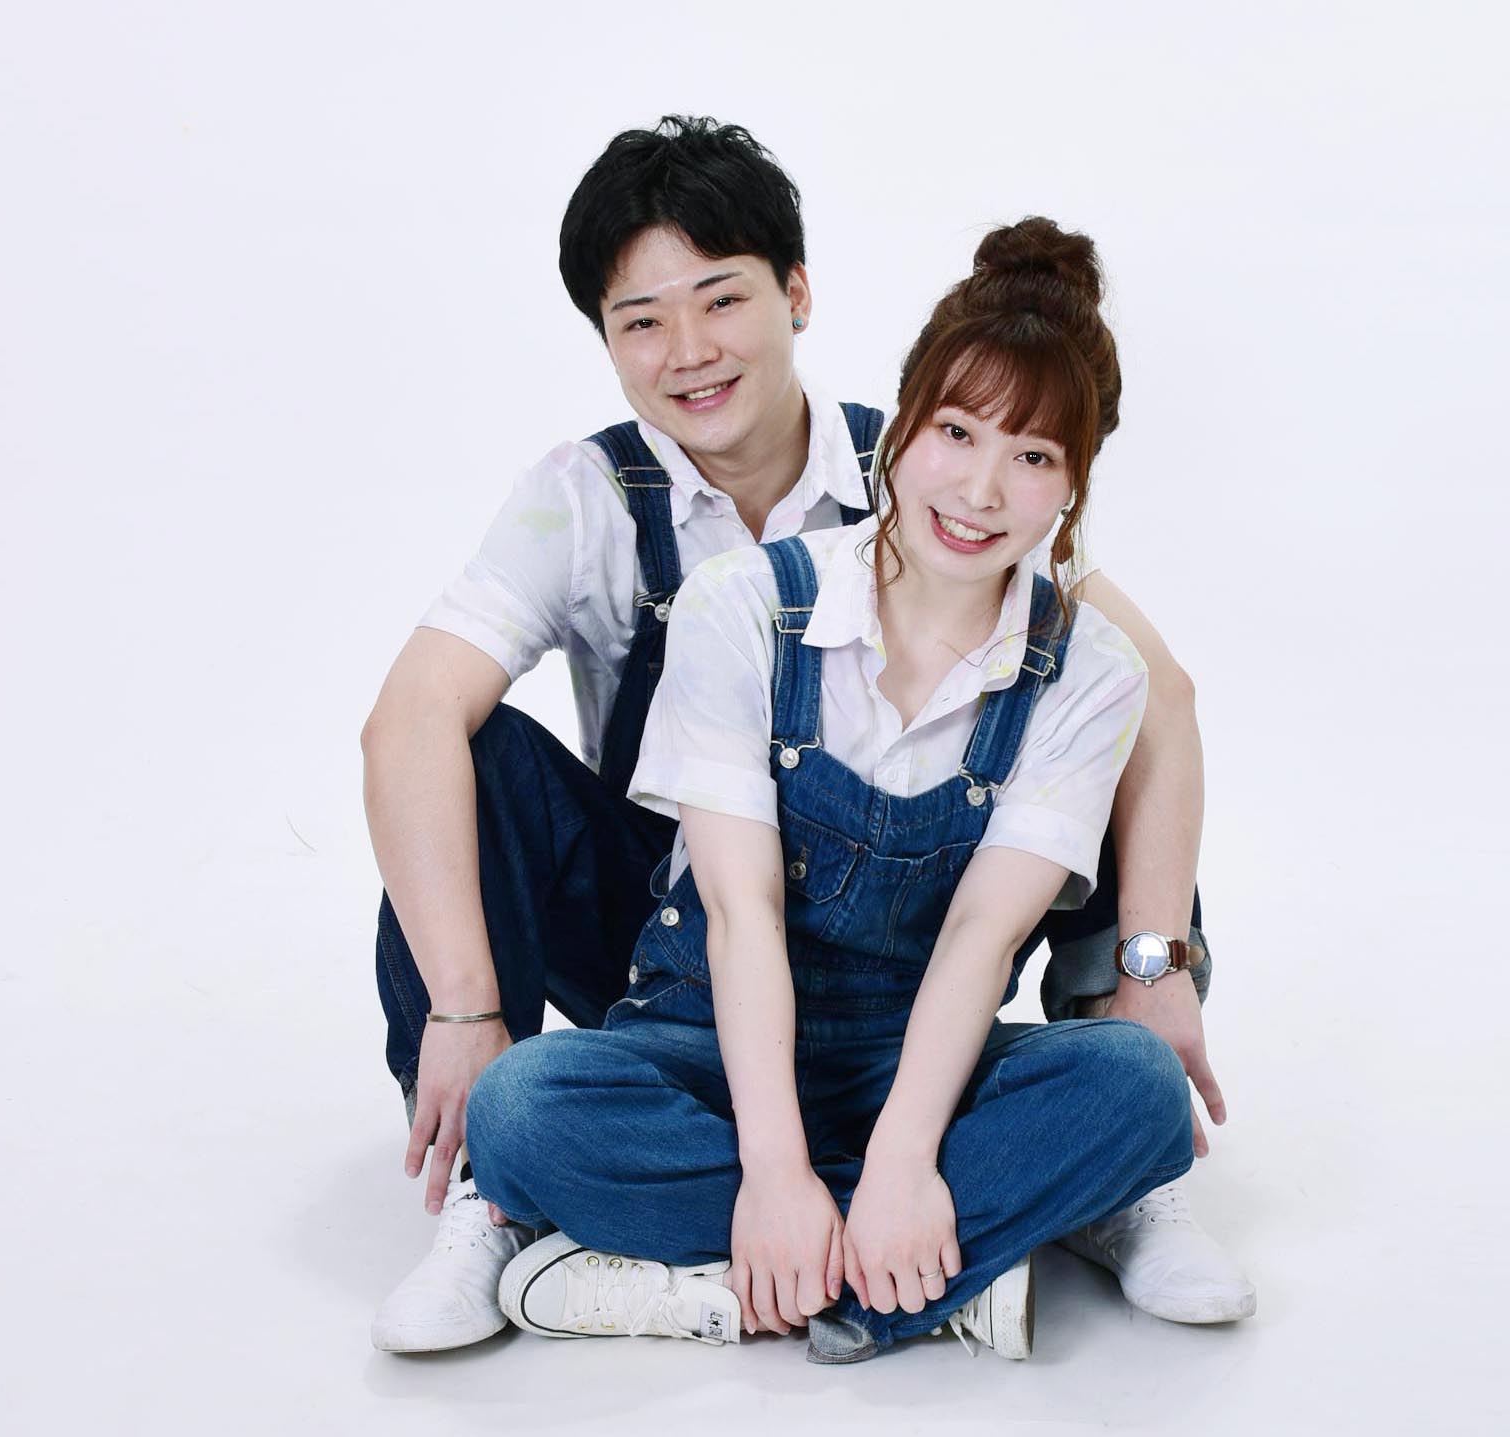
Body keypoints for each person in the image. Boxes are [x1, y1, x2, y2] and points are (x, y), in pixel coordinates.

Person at [361, 118, 1249, 1354]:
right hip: (682, 938)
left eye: (722, 299)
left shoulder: (943, 465)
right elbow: (407, 720)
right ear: (606, 338)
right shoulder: (597, 502)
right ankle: (512, 1196)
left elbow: (1156, 698)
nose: (690, 351)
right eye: (643, 321)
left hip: (927, 973)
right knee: (480, 766)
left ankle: (1059, 1187)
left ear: (798, 293)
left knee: (1104, 744)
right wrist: (465, 1014)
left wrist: (1155, 970)